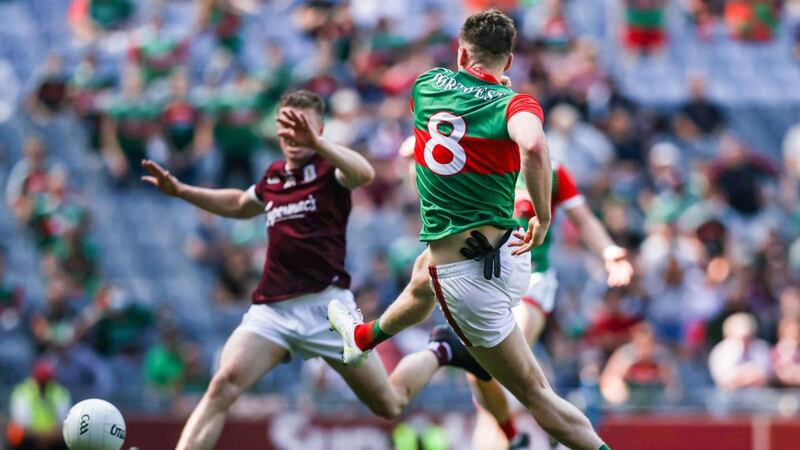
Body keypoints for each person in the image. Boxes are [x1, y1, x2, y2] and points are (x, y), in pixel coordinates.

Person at [141, 90, 490, 450]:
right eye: (285, 126)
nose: (292, 136)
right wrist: (182, 190)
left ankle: (440, 351)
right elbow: (240, 204)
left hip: (329, 313)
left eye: (301, 127)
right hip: (273, 310)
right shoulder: (274, 177)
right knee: (222, 386)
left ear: (318, 129)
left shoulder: (329, 171)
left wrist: (319, 144)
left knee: (389, 403)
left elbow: (364, 172)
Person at [329, 10, 612, 450]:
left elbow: (450, 145)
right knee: (423, 277)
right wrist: (543, 215)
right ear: (511, 61)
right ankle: (363, 336)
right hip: (513, 256)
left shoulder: (426, 86)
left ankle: (514, 426)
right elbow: (533, 143)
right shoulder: (514, 103)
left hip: (468, 283)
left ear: (461, 51)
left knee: (535, 394)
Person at [6, 360, 70, 450]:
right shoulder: (22, 393)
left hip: (53, 439)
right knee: (15, 434)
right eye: (41, 382)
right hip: (30, 439)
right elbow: (20, 425)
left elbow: (64, 424)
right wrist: (41, 437)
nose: (43, 385)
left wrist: (48, 436)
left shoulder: (59, 392)